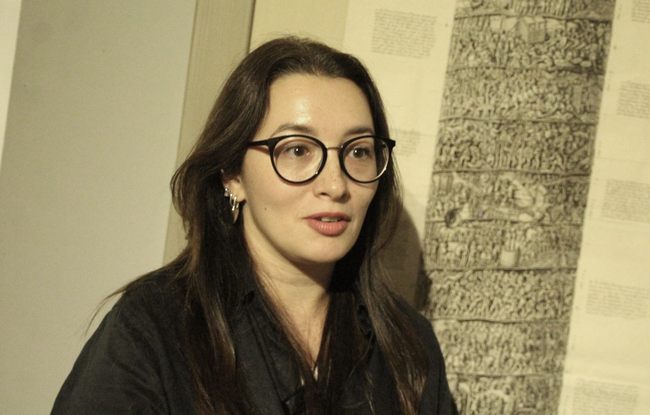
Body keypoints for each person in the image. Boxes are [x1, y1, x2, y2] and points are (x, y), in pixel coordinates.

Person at [52, 36, 457, 415]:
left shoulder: (407, 346)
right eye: (296, 150)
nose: (335, 185)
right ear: (232, 174)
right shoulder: (156, 327)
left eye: (358, 151)